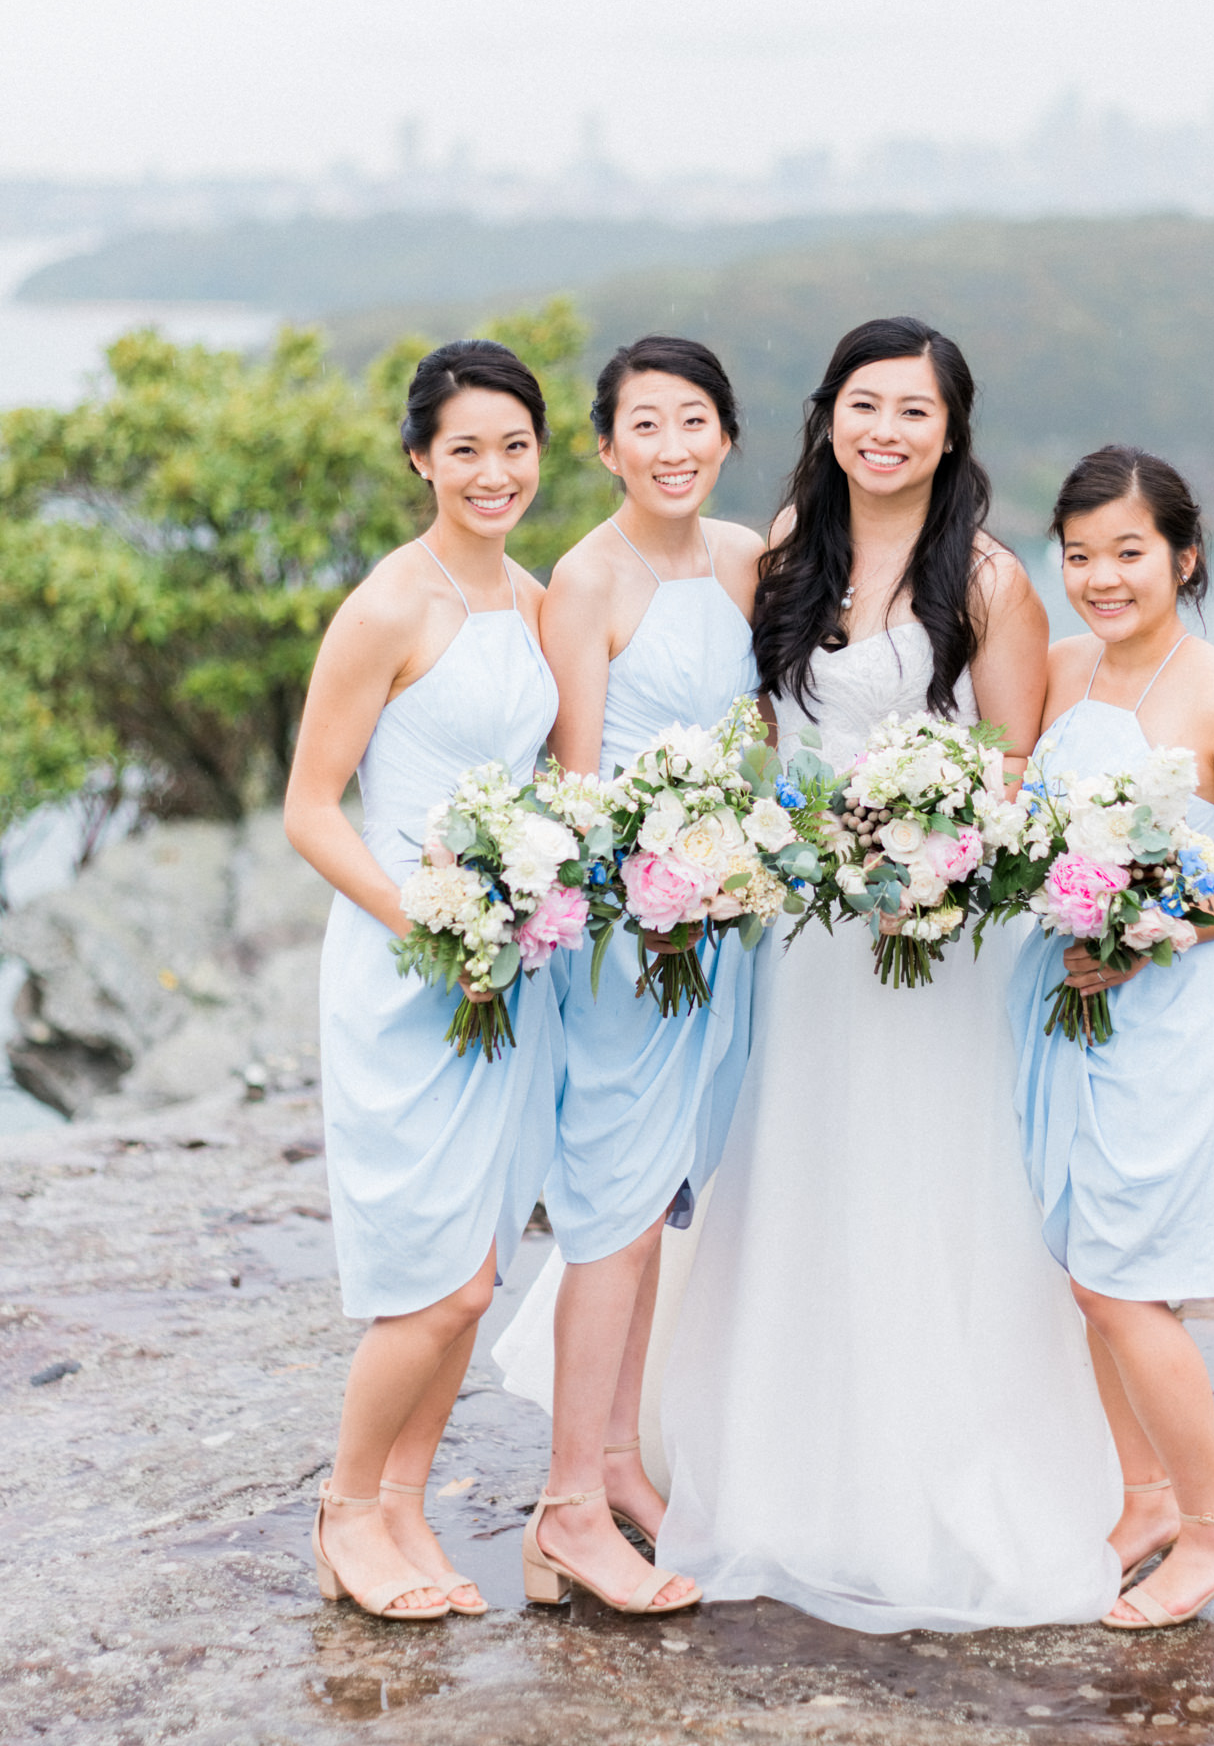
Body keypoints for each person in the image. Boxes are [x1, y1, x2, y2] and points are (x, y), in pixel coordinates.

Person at [653, 317, 1123, 1634]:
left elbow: (1020, 769)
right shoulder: (783, 562)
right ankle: (786, 1477)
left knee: (925, 1187)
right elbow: (753, 737)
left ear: (952, 431)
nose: (888, 431)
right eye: (867, 404)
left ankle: (934, 1475)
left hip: (935, 945)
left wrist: (930, 851)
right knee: (801, 1176)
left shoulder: (987, 581)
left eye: (915, 411)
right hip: (804, 944)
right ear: (829, 415)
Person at [1008, 444, 1214, 1631]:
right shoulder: (1059, 665)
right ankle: (1143, 1499)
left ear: (1183, 556)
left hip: (1163, 1015)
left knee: (1133, 1282)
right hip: (1060, 1008)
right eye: (1079, 553)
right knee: (1092, 1272)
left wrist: (1162, 928)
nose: (1100, 576)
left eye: (1128, 552)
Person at [284, 340, 562, 1622]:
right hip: (412, 969)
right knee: (431, 1275)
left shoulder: (533, 594)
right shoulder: (391, 602)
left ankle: (407, 1504)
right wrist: (431, 920)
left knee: (481, 1265)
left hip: (515, 974)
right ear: (421, 458)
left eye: (514, 445)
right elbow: (311, 806)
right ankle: (346, 1509)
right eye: (466, 449)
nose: (493, 471)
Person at [517, 335, 764, 1616]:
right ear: (606, 447)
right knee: (611, 1204)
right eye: (646, 426)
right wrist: (652, 887)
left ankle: (618, 1458)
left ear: (727, 434)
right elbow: (572, 783)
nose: (674, 447)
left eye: (695, 421)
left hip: (721, 927)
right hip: (626, 938)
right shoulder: (586, 576)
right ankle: (564, 1506)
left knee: (663, 1185)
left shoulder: (743, 557)